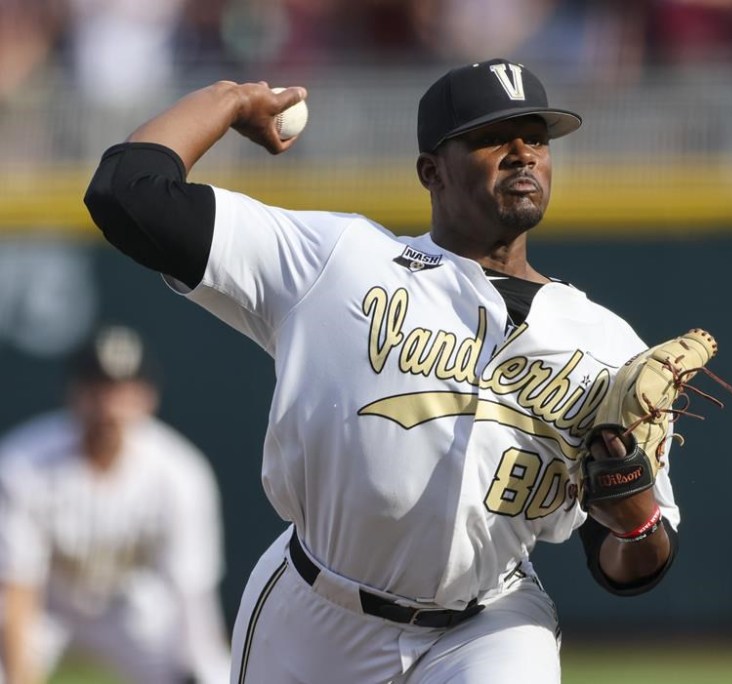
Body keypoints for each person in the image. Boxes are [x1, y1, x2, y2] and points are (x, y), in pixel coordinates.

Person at [82, 58, 682, 683]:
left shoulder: (608, 345)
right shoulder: (338, 261)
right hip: (315, 615)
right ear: (432, 172)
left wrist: (635, 520)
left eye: (535, 137)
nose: (522, 154)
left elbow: (631, 566)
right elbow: (127, 192)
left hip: (490, 623)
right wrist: (229, 99)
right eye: (490, 137)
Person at [0, 325, 231, 684]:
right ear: (73, 395)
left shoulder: (180, 473)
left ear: (148, 398)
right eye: (97, 391)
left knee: (209, 670)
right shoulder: (23, 464)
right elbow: (16, 589)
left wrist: (205, 668)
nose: (109, 407)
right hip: (50, 608)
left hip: (129, 612)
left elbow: (192, 593)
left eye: (123, 392)